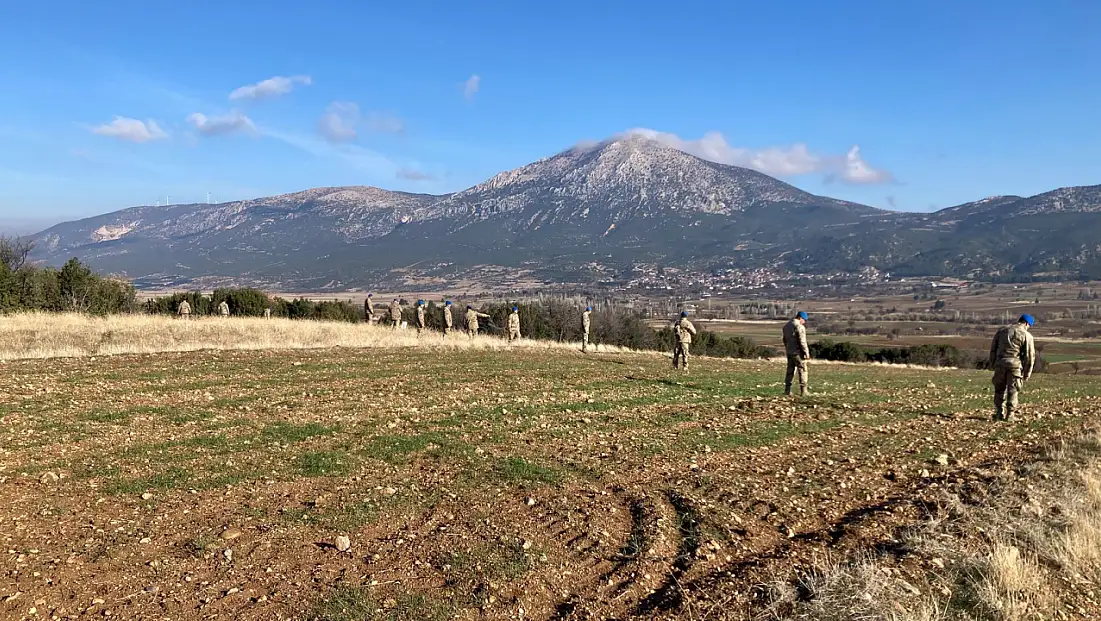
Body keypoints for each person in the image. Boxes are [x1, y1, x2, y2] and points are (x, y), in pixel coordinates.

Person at [989, 314, 1036, 421]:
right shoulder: (1026, 335)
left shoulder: (1002, 331)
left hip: (1000, 363)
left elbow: (993, 349)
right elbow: (1029, 356)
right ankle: (1010, 414)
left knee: (999, 390)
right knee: (1013, 390)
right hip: (1015, 365)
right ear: (1027, 324)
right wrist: (1027, 373)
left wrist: (993, 364)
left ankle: (998, 413)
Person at [782, 311, 810, 396]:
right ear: (800, 318)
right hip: (797, 352)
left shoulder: (786, 326)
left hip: (789, 351)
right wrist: (806, 352)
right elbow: (802, 341)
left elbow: (784, 340)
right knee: (803, 370)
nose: (804, 322)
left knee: (790, 371)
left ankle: (787, 390)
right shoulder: (799, 327)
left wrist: (788, 348)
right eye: (804, 320)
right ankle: (804, 390)